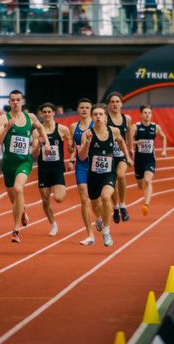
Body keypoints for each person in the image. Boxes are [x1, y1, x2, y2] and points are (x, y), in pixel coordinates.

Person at [0, 90, 50, 243]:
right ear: (9, 102)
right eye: (12, 100)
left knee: (19, 189)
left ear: (22, 101)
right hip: (8, 165)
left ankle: (16, 230)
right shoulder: (4, 119)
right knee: (14, 200)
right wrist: (6, 129)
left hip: (24, 162)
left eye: (18, 99)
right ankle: (22, 209)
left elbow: (40, 127)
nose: (15, 102)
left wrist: (47, 142)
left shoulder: (30, 117)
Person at [78, 103, 131, 247]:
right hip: (93, 175)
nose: (98, 117)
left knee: (106, 197)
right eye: (95, 114)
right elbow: (82, 157)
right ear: (92, 117)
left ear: (105, 117)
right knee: (96, 205)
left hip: (109, 173)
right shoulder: (86, 134)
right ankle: (99, 218)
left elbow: (121, 142)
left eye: (101, 114)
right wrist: (87, 143)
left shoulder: (113, 131)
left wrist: (127, 157)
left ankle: (106, 231)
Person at [31, 102, 72, 236]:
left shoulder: (62, 129)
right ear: (41, 114)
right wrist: (38, 146)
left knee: (59, 198)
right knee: (45, 200)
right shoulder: (37, 132)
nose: (47, 114)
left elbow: (71, 146)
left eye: (49, 112)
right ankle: (53, 224)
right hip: (43, 169)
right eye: (45, 112)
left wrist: (71, 152)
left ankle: (57, 186)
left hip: (57, 168)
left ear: (54, 113)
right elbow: (34, 154)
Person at [69, 98, 99, 246]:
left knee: (96, 200)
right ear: (78, 109)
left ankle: (99, 217)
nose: (85, 110)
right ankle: (90, 234)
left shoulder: (97, 125)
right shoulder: (73, 127)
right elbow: (72, 147)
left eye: (87, 107)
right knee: (84, 198)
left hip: (96, 165)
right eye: (82, 107)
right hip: (81, 165)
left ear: (91, 110)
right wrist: (70, 153)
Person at [130, 104, 167, 216]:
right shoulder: (135, 127)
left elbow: (163, 137)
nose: (147, 115)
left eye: (149, 113)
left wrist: (164, 150)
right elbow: (128, 141)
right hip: (138, 160)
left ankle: (146, 204)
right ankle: (142, 187)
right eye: (145, 113)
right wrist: (136, 143)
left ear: (151, 114)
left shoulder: (155, 127)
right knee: (141, 185)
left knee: (147, 180)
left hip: (150, 159)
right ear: (141, 114)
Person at [107, 92, 133, 224]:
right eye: (112, 102)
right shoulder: (105, 118)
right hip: (108, 156)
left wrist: (131, 148)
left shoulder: (126, 118)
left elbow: (129, 133)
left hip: (121, 154)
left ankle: (122, 205)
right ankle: (116, 207)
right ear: (109, 105)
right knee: (111, 183)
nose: (115, 104)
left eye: (117, 101)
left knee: (121, 176)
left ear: (121, 103)